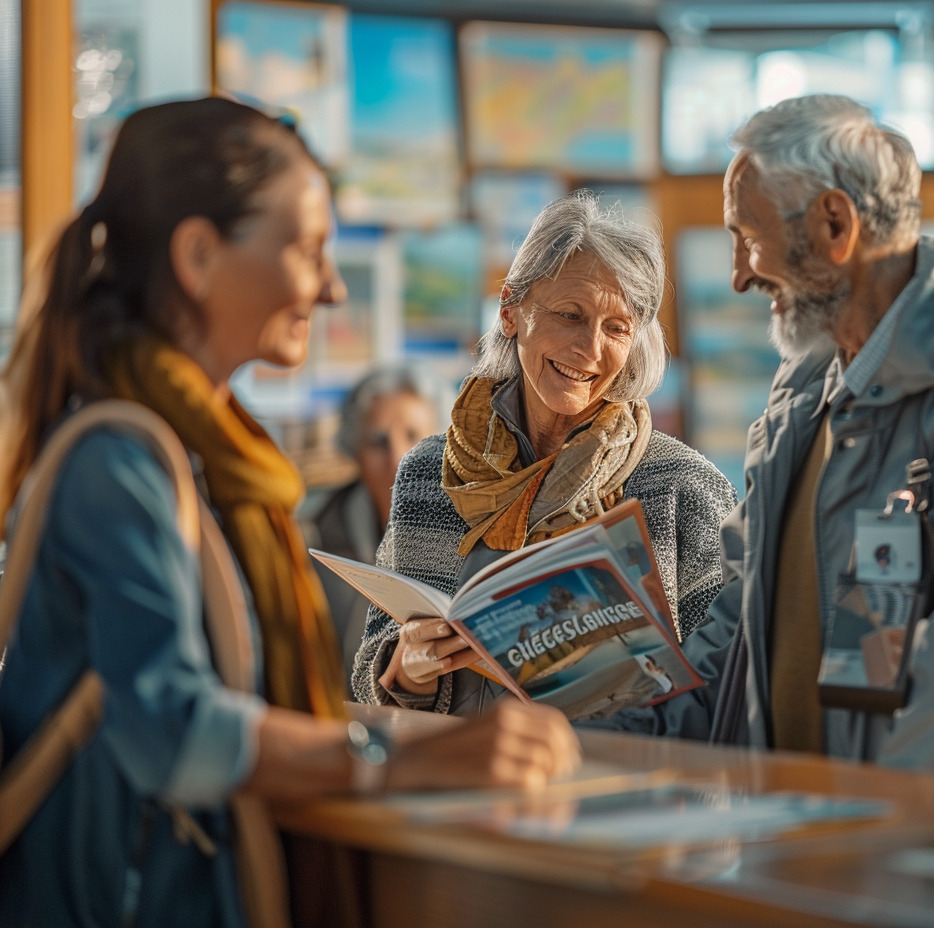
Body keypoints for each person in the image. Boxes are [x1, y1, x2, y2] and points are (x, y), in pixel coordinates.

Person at [0, 97, 578, 928]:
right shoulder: (119, 461)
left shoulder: (223, 460)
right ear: (199, 255)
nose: (333, 285)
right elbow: (174, 728)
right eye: (308, 249)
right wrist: (391, 756)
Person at [606, 94, 934, 801]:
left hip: (932, 870)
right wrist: (584, 741)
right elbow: (734, 647)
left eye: (747, 237)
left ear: (834, 225)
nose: (739, 275)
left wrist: (879, 858)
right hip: (797, 846)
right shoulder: (801, 396)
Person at [353, 192, 737, 716]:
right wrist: (411, 668)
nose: (591, 348)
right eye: (570, 315)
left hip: (614, 783)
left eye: (617, 328)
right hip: (462, 777)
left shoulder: (683, 487)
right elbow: (374, 663)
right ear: (511, 311)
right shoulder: (430, 472)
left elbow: (725, 681)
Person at [301, 365, 442, 692]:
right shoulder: (310, 537)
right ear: (355, 451)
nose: (397, 458)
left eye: (413, 437)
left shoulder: (474, 528)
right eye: (378, 442)